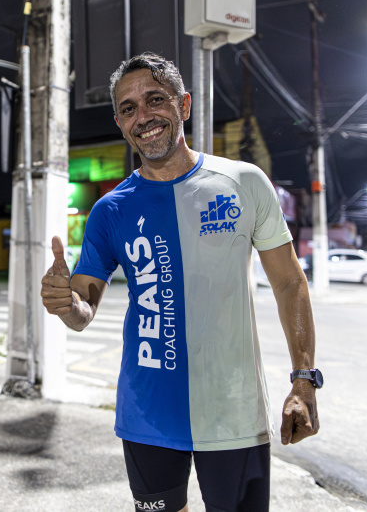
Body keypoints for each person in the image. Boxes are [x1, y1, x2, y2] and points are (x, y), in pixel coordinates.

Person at [40, 53, 320, 512]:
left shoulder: (243, 183)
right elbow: (82, 311)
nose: (143, 117)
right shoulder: (111, 210)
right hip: (147, 414)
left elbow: (291, 284)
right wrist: (65, 301)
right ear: (119, 122)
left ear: (184, 105)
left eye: (155, 100)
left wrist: (304, 381)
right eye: (128, 109)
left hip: (234, 410)